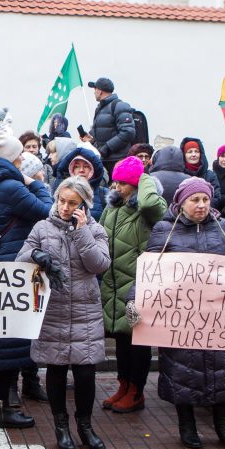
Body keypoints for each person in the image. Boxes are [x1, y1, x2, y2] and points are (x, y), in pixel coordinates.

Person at [141, 177, 225, 449]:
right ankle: (186, 425)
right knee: (182, 370)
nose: (201, 205)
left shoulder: (221, 227)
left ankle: (224, 426)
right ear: (181, 202)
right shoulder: (165, 229)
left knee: (221, 370)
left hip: (217, 317)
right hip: (181, 317)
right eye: (195, 200)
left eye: (205, 199)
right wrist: (134, 303)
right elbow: (150, 272)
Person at [17, 176, 110, 449]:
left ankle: (85, 426)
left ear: (85, 205)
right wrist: (36, 255)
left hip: (85, 312)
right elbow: (20, 258)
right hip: (53, 310)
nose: (66, 207)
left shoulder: (95, 230)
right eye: (62, 201)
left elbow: (100, 264)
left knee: (85, 374)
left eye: (73, 203)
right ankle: (61, 426)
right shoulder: (42, 227)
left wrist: (81, 232)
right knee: (55, 370)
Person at [0, 129, 53, 427]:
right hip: (13, 267)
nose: (22, 160)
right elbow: (47, 212)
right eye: (18, 156)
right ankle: (6, 408)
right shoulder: (10, 187)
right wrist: (37, 184)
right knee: (10, 339)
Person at [99, 156, 166, 414]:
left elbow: (150, 201)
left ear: (136, 183)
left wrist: (144, 175)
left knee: (138, 341)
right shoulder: (113, 208)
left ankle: (136, 392)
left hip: (138, 282)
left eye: (123, 182)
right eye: (115, 181)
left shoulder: (148, 206)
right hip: (114, 282)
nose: (116, 187)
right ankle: (123, 386)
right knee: (122, 340)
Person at [82, 77, 136, 174]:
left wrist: (106, 148)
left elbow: (128, 132)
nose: (94, 93)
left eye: (95, 90)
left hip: (117, 161)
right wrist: (91, 140)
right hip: (104, 161)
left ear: (100, 91)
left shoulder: (119, 105)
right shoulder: (100, 108)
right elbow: (106, 133)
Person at [53, 145, 108, 221]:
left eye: (86, 166)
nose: (81, 170)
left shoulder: (104, 193)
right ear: (71, 169)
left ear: (93, 169)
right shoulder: (60, 190)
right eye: (76, 166)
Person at [179, 138, 223, 210]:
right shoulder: (179, 174)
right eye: (189, 152)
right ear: (184, 155)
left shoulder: (210, 175)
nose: (193, 155)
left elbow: (216, 197)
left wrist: (203, 210)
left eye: (196, 151)